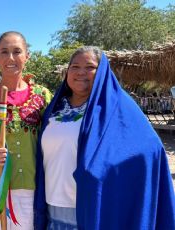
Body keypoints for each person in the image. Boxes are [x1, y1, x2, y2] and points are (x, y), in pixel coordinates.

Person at [34, 46, 175, 229]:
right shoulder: (55, 108)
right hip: (53, 210)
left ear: (101, 72)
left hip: (96, 210)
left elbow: (150, 149)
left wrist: (100, 171)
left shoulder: (118, 105)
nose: (81, 72)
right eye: (75, 67)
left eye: (90, 67)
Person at [0, 31, 52, 229]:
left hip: (31, 186)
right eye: (4, 52)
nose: (11, 58)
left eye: (17, 51)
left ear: (27, 56)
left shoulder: (42, 95)